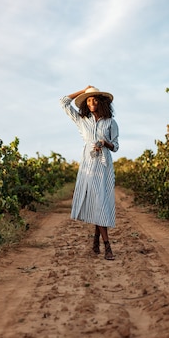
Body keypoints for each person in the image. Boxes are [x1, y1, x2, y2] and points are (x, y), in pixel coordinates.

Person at [60, 86, 119, 260]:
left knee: (100, 201)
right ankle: (107, 246)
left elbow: (115, 146)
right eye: (88, 100)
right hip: (88, 164)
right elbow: (63, 102)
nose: (91, 102)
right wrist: (84, 90)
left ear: (101, 102)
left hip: (104, 165)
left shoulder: (110, 122)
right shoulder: (81, 119)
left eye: (94, 99)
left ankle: (96, 241)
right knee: (97, 200)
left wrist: (104, 142)